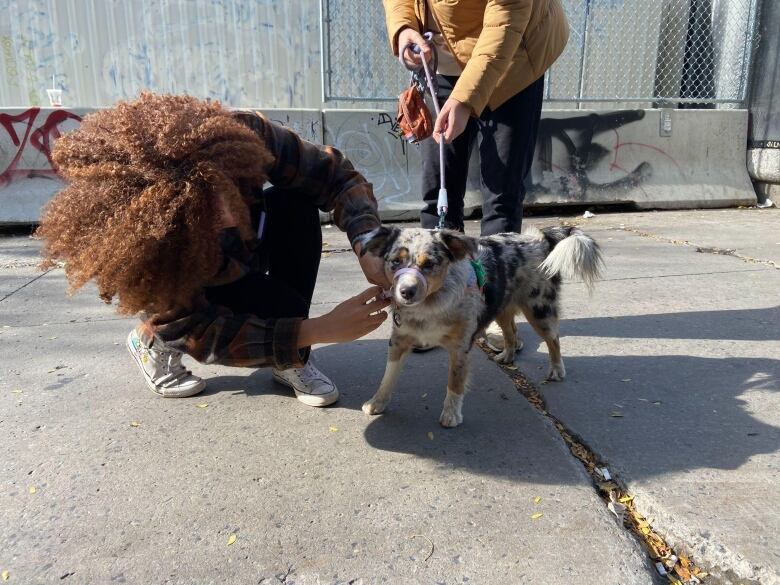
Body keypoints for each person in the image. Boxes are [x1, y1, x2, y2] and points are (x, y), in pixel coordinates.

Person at [37, 92, 390, 406]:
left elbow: (336, 176)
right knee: (177, 322)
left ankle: (288, 356)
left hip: (242, 261)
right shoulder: (147, 245)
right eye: (202, 213)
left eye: (227, 195)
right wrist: (318, 330)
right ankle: (151, 341)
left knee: (293, 203)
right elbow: (201, 332)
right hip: (195, 284)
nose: (229, 218)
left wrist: (367, 243)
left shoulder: (239, 138)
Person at [381, 0, 569, 349]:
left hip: (513, 58)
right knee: (438, 188)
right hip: (440, 59)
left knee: (502, 189)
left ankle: (496, 307)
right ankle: (431, 305)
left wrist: (465, 100)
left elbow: (504, 24)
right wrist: (404, 27)